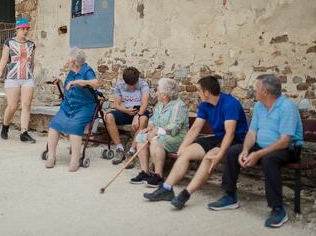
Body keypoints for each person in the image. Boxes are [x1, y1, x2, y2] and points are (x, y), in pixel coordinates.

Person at [208, 74, 303, 228]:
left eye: (256, 87)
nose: (253, 91)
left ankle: (278, 209)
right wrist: (245, 150)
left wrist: (258, 154)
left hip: (287, 148)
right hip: (262, 146)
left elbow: (285, 140)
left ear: (265, 91)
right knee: (233, 151)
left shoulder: (287, 106)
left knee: (269, 159)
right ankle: (230, 196)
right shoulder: (259, 106)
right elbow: (252, 133)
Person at [144, 75, 248, 207]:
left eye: (199, 90)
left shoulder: (230, 104)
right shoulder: (205, 105)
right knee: (187, 152)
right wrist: (182, 147)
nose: (197, 93)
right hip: (219, 137)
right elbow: (194, 130)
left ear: (206, 92)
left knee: (210, 157)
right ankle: (166, 189)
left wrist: (220, 154)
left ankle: (186, 193)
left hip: (236, 140)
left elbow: (230, 133)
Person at [45, 48, 99, 172]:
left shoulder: (87, 70)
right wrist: (59, 82)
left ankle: (75, 160)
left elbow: (96, 83)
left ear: (74, 62)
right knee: (55, 124)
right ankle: (51, 156)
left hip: (84, 106)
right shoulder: (71, 72)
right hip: (68, 106)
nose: (68, 61)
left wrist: (80, 81)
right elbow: (67, 90)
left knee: (75, 126)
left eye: (69, 59)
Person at [130, 78, 189, 187]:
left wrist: (157, 131)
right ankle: (145, 172)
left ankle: (158, 176)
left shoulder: (179, 106)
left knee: (155, 141)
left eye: (157, 91)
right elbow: (153, 119)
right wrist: (149, 128)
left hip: (177, 138)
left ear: (165, 94)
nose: (156, 93)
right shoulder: (160, 104)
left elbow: (174, 128)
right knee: (141, 137)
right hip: (161, 135)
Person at [0, 17, 36, 143]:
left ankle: (24, 132)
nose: (25, 31)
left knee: (26, 105)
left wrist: (31, 74)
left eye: (27, 29)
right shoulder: (9, 42)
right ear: (17, 29)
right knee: (13, 106)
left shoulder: (31, 45)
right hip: (12, 78)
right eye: (23, 29)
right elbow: (4, 58)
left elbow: (32, 62)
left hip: (27, 78)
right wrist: (0, 70)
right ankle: (5, 126)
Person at [105, 67, 150, 165]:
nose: (132, 87)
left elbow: (145, 104)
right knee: (108, 117)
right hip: (126, 111)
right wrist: (125, 110)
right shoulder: (119, 84)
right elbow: (116, 105)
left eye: (134, 84)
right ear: (124, 81)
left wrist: (137, 116)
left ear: (137, 79)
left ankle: (132, 152)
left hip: (140, 112)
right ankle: (120, 149)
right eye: (129, 85)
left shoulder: (143, 84)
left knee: (143, 119)